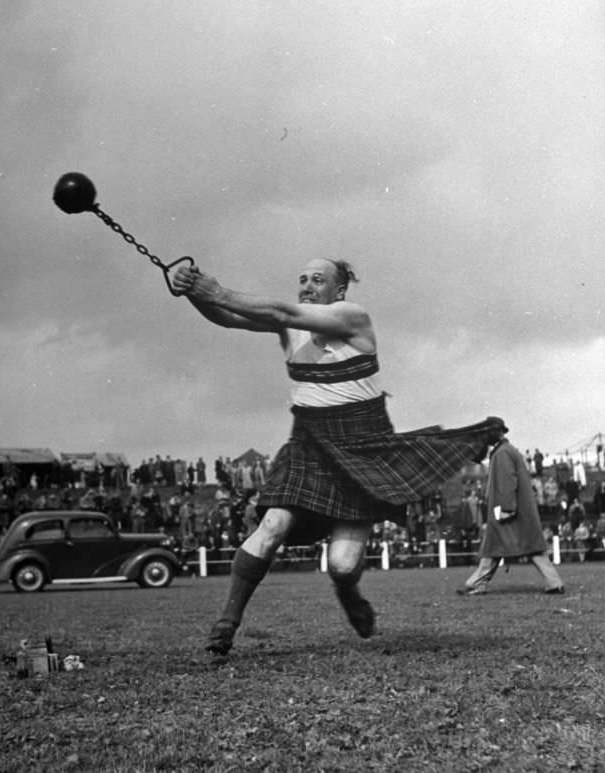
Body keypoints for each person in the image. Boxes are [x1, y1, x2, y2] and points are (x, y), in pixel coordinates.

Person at [173, 257, 502, 655]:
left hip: (363, 448)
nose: (307, 285)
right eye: (302, 279)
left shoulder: (352, 316)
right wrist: (192, 291)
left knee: (343, 565)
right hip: (308, 443)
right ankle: (227, 623)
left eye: (318, 279)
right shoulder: (289, 328)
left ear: (339, 291)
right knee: (273, 525)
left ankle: (348, 592)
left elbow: (276, 308)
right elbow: (226, 317)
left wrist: (218, 291)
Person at [457, 418, 564, 596]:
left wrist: (506, 508)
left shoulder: (502, 453)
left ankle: (476, 583)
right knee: (532, 547)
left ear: (494, 433)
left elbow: (507, 483)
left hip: (507, 510)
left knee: (493, 546)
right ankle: (554, 582)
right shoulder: (506, 451)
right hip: (519, 511)